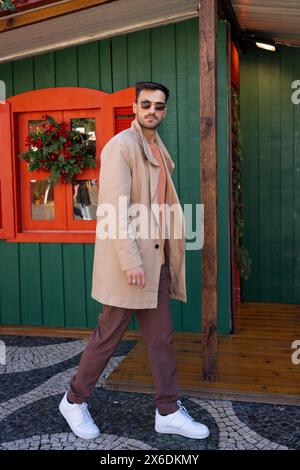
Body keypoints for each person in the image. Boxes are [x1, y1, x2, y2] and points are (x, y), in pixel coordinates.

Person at [59, 81, 210, 441]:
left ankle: (168, 411)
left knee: (161, 339)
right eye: (146, 104)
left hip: (153, 261)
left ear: (165, 111)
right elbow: (112, 211)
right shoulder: (121, 147)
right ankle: (74, 400)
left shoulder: (155, 147)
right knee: (108, 336)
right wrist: (130, 262)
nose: (152, 111)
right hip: (131, 266)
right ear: (135, 106)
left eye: (159, 106)